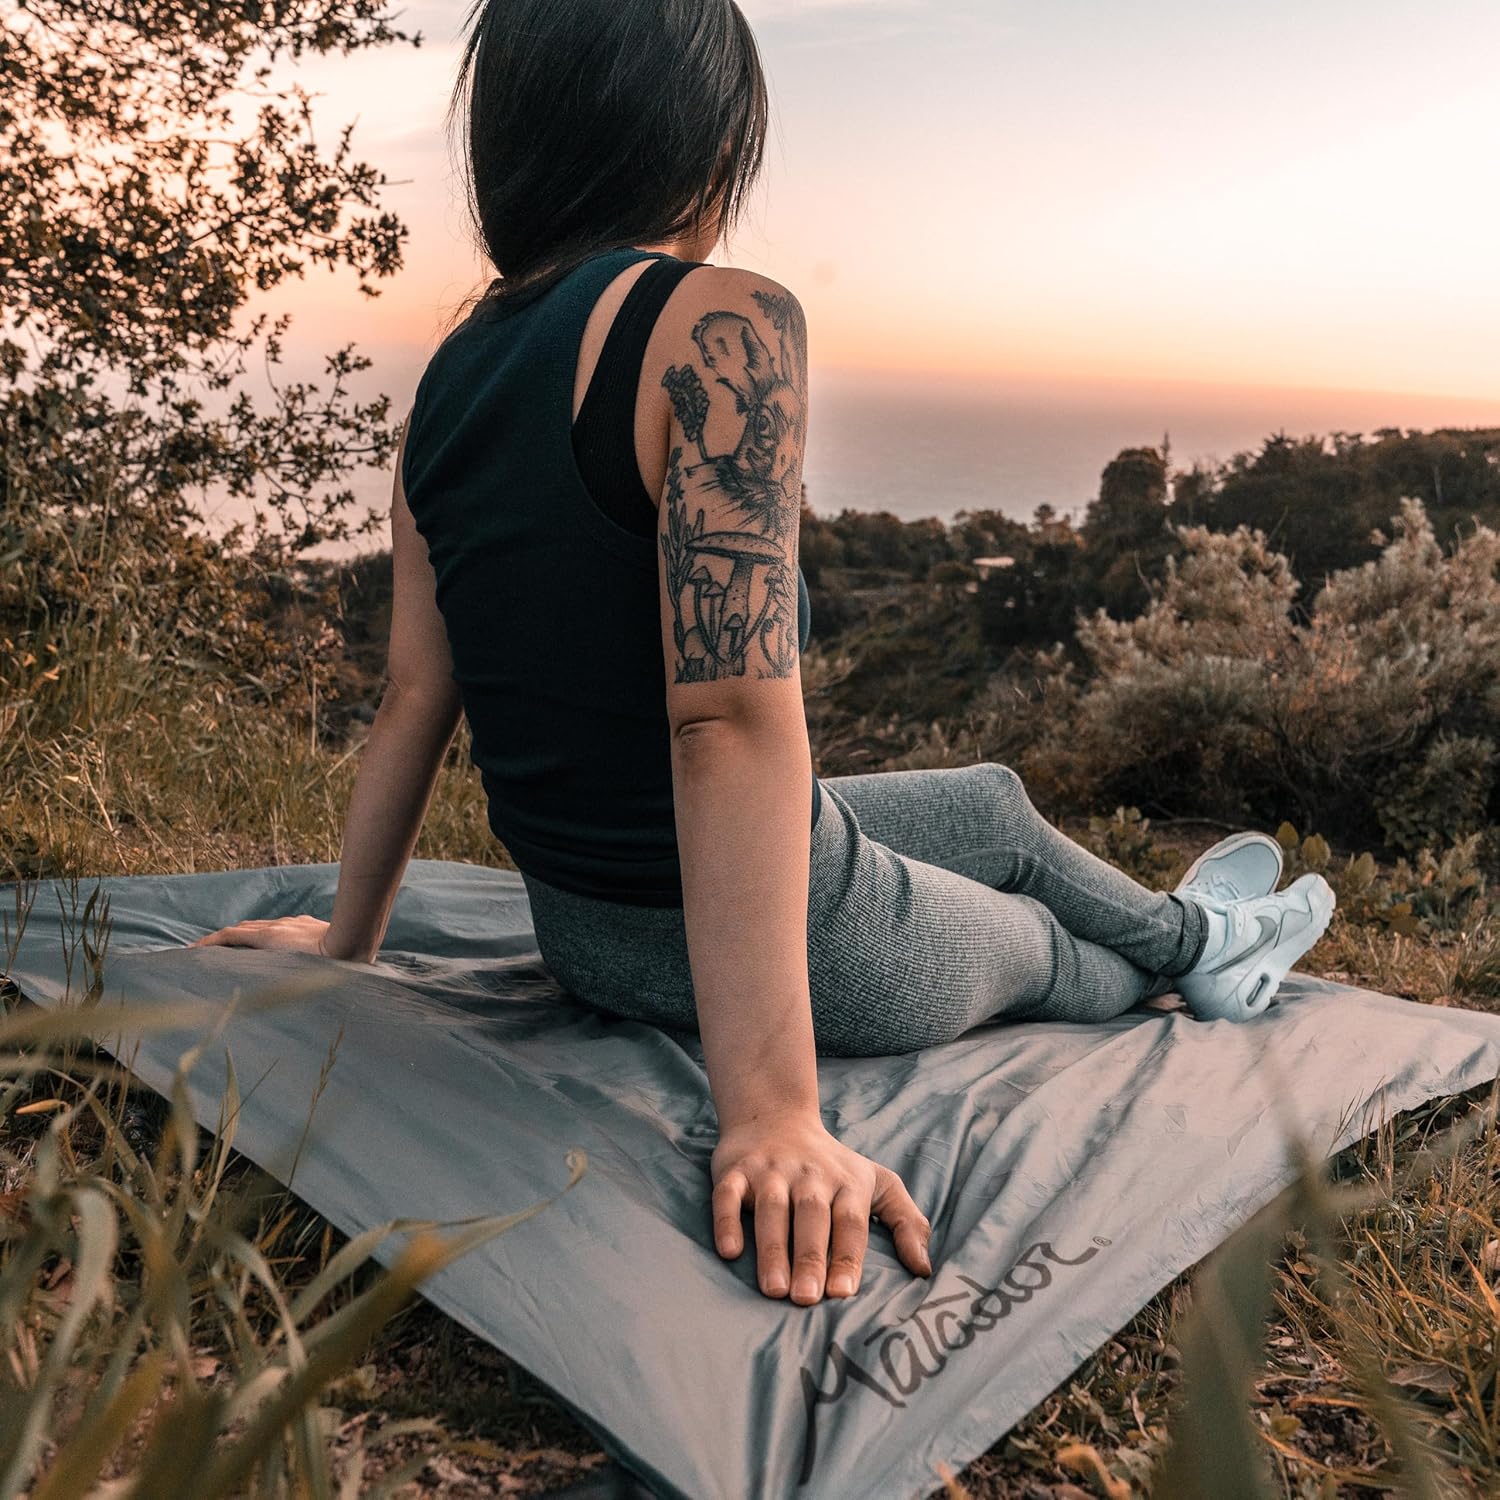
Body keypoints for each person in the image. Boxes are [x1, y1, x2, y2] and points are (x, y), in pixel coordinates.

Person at [189, 0, 1336, 1309]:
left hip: (584, 931)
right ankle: (1182, 972)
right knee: (1041, 947)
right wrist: (775, 1112)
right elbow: (724, 719)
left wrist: (348, 942)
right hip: (800, 925)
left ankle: (1202, 932)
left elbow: (413, 697)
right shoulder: (718, 326)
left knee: (996, 805)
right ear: (713, 133)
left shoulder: (451, 378)